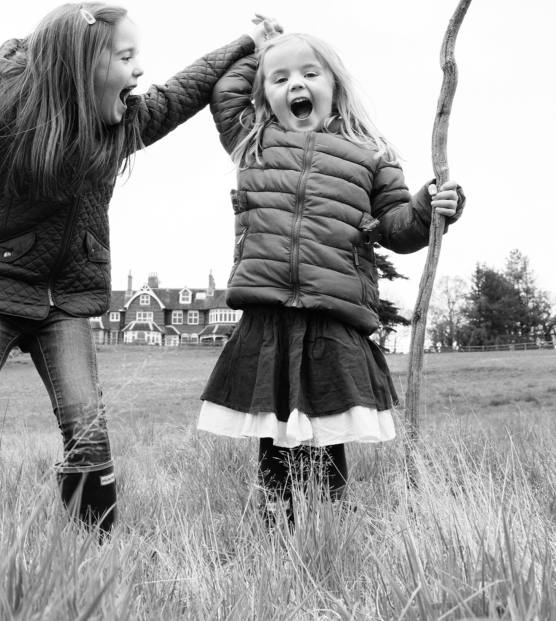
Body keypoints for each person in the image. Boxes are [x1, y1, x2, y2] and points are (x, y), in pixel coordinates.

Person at [0, 2, 277, 534]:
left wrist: (244, 44)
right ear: (83, 63)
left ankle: (95, 542)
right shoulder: (8, 110)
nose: (139, 70)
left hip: (67, 298)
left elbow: (184, 89)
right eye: (126, 57)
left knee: (86, 424)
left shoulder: (122, 123)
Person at [197, 30, 464, 525]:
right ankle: (276, 533)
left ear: (335, 86)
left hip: (332, 314)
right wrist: (256, 46)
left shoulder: (370, 153)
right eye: (279, 79)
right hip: (269, 310)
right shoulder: (253, 141)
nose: (294, 84)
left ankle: (329, 526)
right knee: (274, 434)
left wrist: (429, 208)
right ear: (264, 95)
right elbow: (224, 93)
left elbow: (397, 227)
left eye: (308, 73)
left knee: (327, 430)